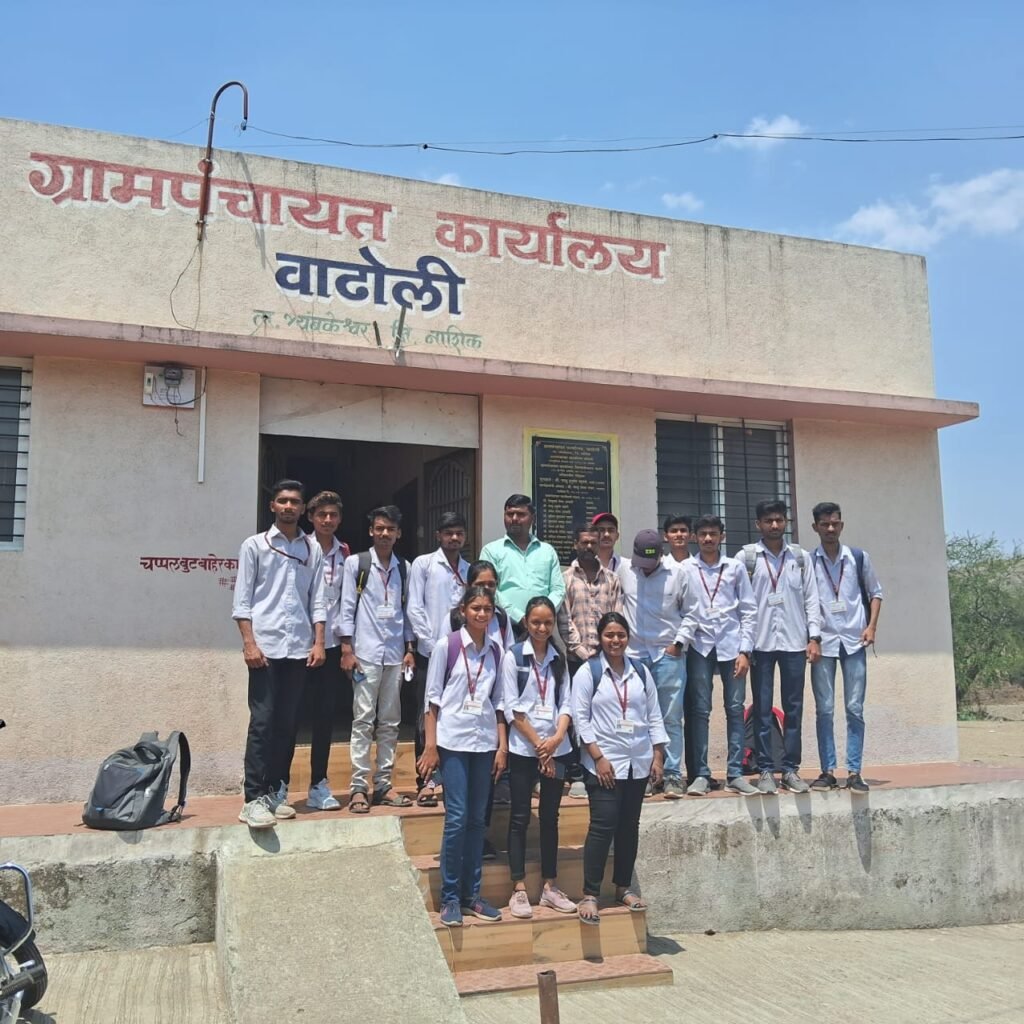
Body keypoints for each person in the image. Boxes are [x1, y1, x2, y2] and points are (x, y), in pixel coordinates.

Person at [232, 479, 326, 829]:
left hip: (298, 648)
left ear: (303, 509)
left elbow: (318, 599)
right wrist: (249, 643)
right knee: (263, 722)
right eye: (283, 501)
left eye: (295, 502)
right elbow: (242, 601)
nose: (288, 507)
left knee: (287, 724)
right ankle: (253, 799)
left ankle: (275, 792)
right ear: (272, 505)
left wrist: (319, 642)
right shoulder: (255, 545)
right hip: (265, 649)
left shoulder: (312, 549)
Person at [417, 584, 508, 928]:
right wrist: (430, 746)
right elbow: (432, 699)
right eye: (475, 608)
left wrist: (501, 747)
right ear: (463, 611)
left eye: (487, 609)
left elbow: (499, 703)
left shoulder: (497, 651)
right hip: (453, 742)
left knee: (477, 820)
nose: (481, 614)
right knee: (456, 817)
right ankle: (451, 897)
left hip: (484, 743)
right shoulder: (448, 646)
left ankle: (473, 896)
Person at [572, 612, 667, 925]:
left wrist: (657, 755)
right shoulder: (589, 672)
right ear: (600, 638)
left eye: (620, 635)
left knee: (629, 826)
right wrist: (598, 757)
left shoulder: (640, 671)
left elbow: (654, 714)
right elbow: (580, 718)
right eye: (609, 635)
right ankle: (590, 893)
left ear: (628, 637)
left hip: (637, 762)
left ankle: (623, 887)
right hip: (604, 764)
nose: (615, 640)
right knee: (603, 826)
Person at [336, 505, 416, 813]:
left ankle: (383, 784)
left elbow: (406, 612)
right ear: (371, 531)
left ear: (399, 533)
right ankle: (358, 786)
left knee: (391, 721)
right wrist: (346, 649)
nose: (384, 534)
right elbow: (346, 606)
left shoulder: (404, 568)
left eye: (390, 529)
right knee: (363, 720)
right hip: (365, 654)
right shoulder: (357, 563)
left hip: (394, 655)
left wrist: (410, 649)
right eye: (379, 528)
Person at [502, 597, 577, 919]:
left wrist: (557, 739)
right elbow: (512, 708)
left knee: (550, 817)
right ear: (526, 623)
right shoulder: (513, 657)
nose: (542, 628)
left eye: (547, 622)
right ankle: (518, 887)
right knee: (520, 816)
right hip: (524, 748)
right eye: (536, 622)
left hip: (556, 748)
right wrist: (539, 745)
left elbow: (566, 703)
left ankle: (549, 886)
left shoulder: (559, 659)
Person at [742, 500, 822, 795]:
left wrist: (814, 637)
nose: (774, 525)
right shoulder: (747, 558)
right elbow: (739, 602)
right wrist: (743, 646)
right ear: (758, 525)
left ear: (786, 522)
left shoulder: (800, 558)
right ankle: (765, 769)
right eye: (768, 521)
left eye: (779, 520)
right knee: (762, 709)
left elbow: (812, 599)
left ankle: (790, 769)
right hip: (760, 644)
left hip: (793, 644)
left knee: (794, 709)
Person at [677, 515, 758, 797]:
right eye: (703, 534)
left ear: (722, 536)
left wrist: (745, 650)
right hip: (699, 645)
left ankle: (735, 773)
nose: (708, 539)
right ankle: (701, 774)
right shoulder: (685, 568)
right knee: (699, 711)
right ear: (695, 537)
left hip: (731, 645)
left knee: (735, 709)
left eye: (713, 534)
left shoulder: (735, 567)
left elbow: (748, 610)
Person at [808, 502, 884, 793]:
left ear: (842, 525)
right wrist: (810, 638)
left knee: (854, 709)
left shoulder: (858, 558)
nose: (830, 529)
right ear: (815, 527)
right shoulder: (808, 562)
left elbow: (876, 593)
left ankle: (854, 771)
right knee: (825, 709)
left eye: (835, 523)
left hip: (854, 641)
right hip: (823, 642)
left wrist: (871, 626)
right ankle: (827, 771)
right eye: (824, 524)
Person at [444, 560, 515, 852]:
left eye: (491, 584)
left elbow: (507, 656)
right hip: (458, 710)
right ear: (468, 586)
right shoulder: (454, 618)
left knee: (485, 784)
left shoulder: (501, 618)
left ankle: (481, 835)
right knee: (459, 799)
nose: (487, 589)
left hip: (489, 705)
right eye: (480, 584)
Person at [617, 530, 691, 799]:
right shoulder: (625, 570)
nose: (644, 568)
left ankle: (672, 774)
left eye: (649, 563)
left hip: (667, 655)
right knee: (637, 718)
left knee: (670, 717)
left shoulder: (678, 573)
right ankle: (643, 775)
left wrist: (678, 644)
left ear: (661, 555)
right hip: (635, 656)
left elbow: (692, 613)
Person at [407, 512, 471, 806]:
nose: (454, 538)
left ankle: (453, 779)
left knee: (456, 716)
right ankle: (427, 781)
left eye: (459, 533)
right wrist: (434, 647)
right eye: (448, 533)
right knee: (426, 718)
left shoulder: (469, 570)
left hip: (464, 658)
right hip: (430, 654)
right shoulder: (424, 564)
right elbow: (414, 607)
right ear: (438, 536)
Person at [557, 523, 623, 798]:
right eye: (583, 542)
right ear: (575, 544)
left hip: (608, 659)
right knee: (578, 714)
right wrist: (584, 653)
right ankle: (578, 773)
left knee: (606, 712)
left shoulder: (612, 579)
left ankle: (607, 764)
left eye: (593, 542)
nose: (588, 547)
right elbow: (564, 619)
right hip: (578, 659)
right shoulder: (565, 579)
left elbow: (617, 616)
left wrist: (608, 649)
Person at [297, 490, 351, 811]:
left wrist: (346, 644)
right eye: (321, 515)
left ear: (339, 519)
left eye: (333, 515)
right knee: (290, 715)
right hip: (298, 645)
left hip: (330, 645)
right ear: (310, 517)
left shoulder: (346, 553)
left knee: (324, 717)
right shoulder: (299, 548)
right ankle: (278, 785)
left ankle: (319, 783)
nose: (327, 520)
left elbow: (348, 601)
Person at [479, 494, 565, 639]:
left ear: (533, 518)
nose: (514, 519)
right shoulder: (491, 551)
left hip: (541, 628)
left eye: (520, 514)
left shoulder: (547, 551)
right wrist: (519, 617)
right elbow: (488, 589)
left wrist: (543, 614)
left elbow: (558, 589)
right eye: (510, 514)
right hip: (504, 627)